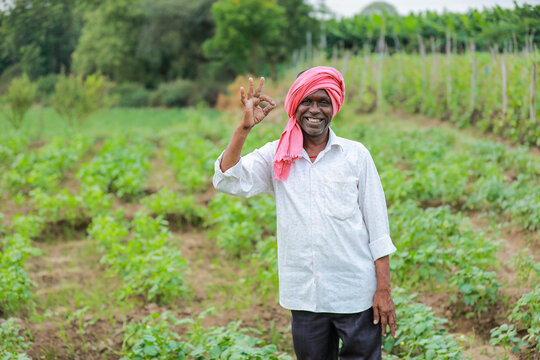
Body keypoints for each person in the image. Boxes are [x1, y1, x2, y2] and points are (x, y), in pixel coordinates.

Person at [213, 66, 397, 360]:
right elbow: (227, 179)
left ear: (333, 107)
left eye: (323, 102)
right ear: (294, 106)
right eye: (307, 101)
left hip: (355, 294)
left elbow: (378, 227)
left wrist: (383, 291)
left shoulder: (355, 155)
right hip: (305, 297)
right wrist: (244, 128)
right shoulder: (277, 155)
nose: (315, 110)